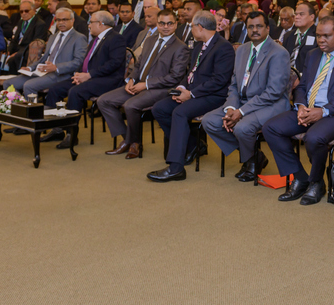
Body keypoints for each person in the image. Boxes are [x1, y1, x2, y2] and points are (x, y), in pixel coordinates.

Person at [263, 16, 334, 205]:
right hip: (309, 109)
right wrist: (301, 106)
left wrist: (323, 111)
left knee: (313, 138)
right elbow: (303, 86)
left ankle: (316, 181)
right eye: (319, 35)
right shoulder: (313, 55)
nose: (321, 40)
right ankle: (301, 177)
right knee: (271, 128)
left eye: (326, 36)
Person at [192, 11, 288, 183]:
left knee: (242, 128)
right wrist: (230, 108)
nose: (255, 30)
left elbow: (274, 92)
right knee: (210, 121)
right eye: (250, 27)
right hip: (242, 101)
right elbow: (234, 84)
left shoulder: (278, 53)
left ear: (267, 28)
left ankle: (251, 161)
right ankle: (255, 155)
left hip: (270, 104)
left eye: (259, 26)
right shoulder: (242, 50)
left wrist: (241, 112)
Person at [147, 11, 236, 182]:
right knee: (160, 108)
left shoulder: (223, 47)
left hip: (214, 96)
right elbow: (190, 74)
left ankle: (176, 168)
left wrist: (191, 94)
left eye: (192, 26)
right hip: (194, 93)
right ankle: (192, 143)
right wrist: (181, 88)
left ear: (200, 27)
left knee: (179, 113)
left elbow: (219, 81)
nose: (191, 30)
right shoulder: (198, 46)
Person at [98, 10, 189, 159]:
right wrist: (131, 79)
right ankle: (128, 139)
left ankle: (135, 143)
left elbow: (175, 77)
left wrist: (146, 84)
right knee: (104, 101)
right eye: (162, 23)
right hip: (138, 84)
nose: (166, 27)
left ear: (175, 24)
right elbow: (139, 64)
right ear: (157, 24)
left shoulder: (180, 47)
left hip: (161, 88)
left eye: (170, 23)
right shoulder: (150, 40)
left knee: (130, 105)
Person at [42, 11, 127, 149]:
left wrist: (89, 75)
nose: (88, 25)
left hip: (108, 80)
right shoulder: (95, 39)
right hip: (90, 77)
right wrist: (79, 75)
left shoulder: (116, 38)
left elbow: (114, 63)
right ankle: (57, 129)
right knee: (55, 89)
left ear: (101, 24)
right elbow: (86, 61)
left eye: (91, 22)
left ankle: (71, 134)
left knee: (75, 92)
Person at [2, 7, 88, 99]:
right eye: (58, 20)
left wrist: (56, 67)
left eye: (65, 20)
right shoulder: (53, 37)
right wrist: (30, 68)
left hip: (61, 74)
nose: (61, 23)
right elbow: (44, 58)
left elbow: (78, 62)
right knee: (8, 83)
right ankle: (19, 104)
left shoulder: (79, 38)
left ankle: (31, 108)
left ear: (72, 20)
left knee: (29, 85)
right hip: (42, 72)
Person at [5, 0, 48, 72]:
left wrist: (17, 53)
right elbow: (15, 39)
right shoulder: (21, 22)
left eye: (26, 11)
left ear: (34, 10)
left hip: (28, 51)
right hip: (18, 49)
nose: (23, 13)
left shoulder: (40, 24)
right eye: (21, 11)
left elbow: (36, 44)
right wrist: (9, 51)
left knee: (12, 60)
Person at [283, 1, 317, 74]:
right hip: (287, 75)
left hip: (308, 76)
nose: (297, 17)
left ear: (312, 17)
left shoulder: (318, 35)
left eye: (301, 14)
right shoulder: (288, 35)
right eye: (296, 14)